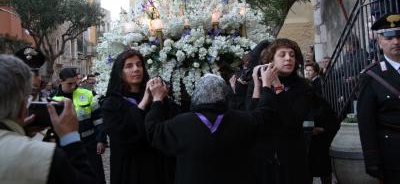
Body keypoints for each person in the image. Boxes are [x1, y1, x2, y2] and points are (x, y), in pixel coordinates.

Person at [145, 73, 273, 184]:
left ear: (196, 94)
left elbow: (152, 130)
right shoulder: (241, 120)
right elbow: (265, 115)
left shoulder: (180, 123)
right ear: (225, 95)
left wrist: (157, 100)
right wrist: (266, 85)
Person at [0, 55, 96, 184]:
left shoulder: (86, 94)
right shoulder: (44, 156)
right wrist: (71, 138)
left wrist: (19, 132)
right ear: (23, 103)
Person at [101, 49, 179, 184]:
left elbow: (171, 126)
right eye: (129, 66)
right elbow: (121, 136)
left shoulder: (158, 96)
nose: (136, 69)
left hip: (158, 166)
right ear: (120, 72)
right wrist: (145, 101)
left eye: (139, 64)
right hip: (130, 168)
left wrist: (160, 99)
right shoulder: (112, 103)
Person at [248, 38, 316, 184]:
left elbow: (292, 121)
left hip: (291, 158)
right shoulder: (261, 82)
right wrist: (258, 86)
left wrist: (277, 86)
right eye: (282, 54)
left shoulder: (303, 87)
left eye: (292, 55)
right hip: (265, 159)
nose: (288, 59)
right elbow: (252, 119)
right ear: (271, 60)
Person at [357, 13, 400, 183]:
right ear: (380, 42)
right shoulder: (372, 76)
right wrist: (372, 159)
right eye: (389, 37)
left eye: (399, 36)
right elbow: (366, 121)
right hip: (393, 154)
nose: (396, 42)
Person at [51, 68, 107, 184]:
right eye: (69, 84)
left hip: (90, 145)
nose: (73, 87)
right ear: (61, 81)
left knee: (96, 177)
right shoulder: (53, 100)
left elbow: (98, 119)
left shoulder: (88, 94)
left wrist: (101, 140)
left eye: (75, 83)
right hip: (66, 147)